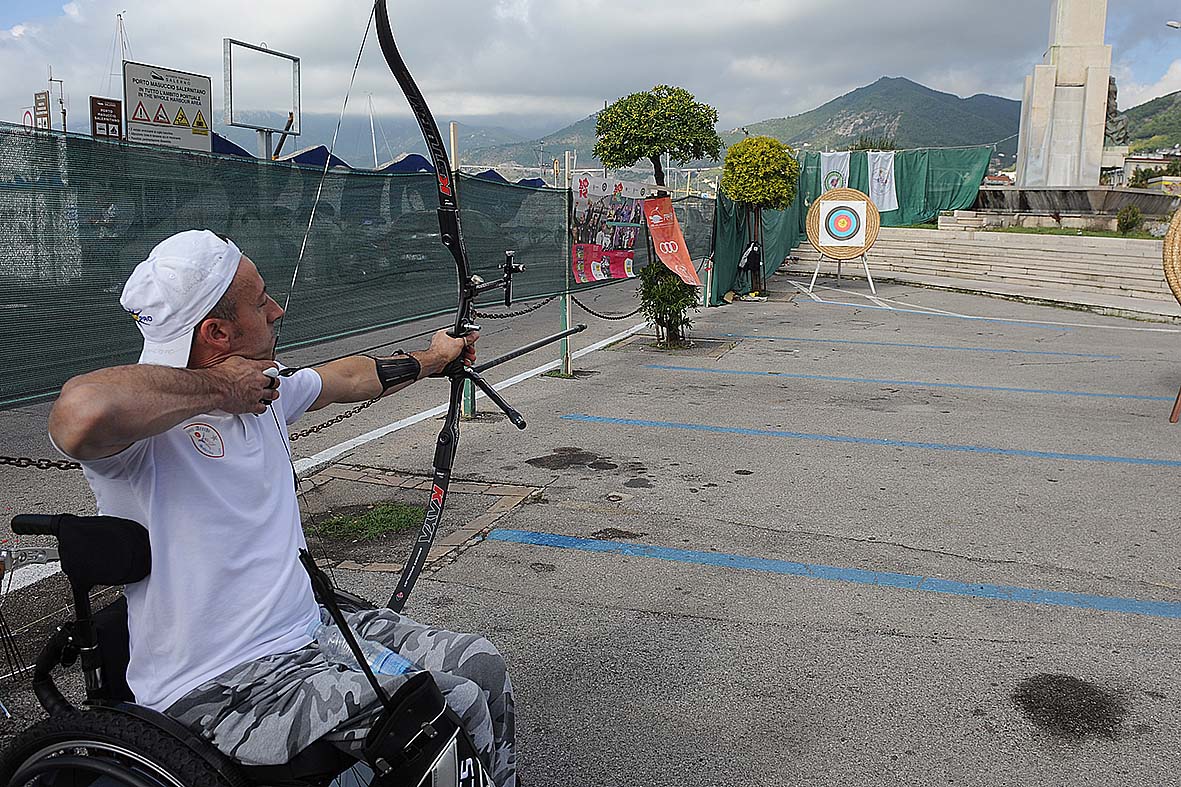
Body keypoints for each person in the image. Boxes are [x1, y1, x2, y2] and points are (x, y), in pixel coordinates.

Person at [48, 230, 516, 786]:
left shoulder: (263, 391)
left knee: (479, 667)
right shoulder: (138, 441)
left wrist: (435, 359)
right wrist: (221, 389)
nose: (277, 309)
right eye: (260, 300)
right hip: (220, 685)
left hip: (307, 632)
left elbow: (346, 377)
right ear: (216, 333)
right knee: (440, 713)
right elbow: (79, 412)